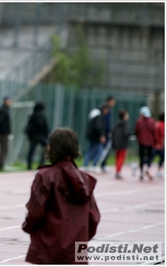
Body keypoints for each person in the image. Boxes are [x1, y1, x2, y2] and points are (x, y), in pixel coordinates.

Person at [22, 128, 101, 264]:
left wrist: (28, 227)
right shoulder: (85, 180)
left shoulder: (44, 177)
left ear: (51, 148)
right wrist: (81, 239)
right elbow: (93, 217)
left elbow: (35, 211)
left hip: (48, 245)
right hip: (76, 248)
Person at [83, 103, 109, 173]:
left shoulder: (95, 114)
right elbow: (98, 127)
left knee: (90, 151)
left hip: (92, 136)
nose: (107, 112)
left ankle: (85, 165)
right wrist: (101, 135)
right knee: (100, 151)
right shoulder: (100, 116)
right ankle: (94, 165)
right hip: (96, 137)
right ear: (104, 109)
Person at [24, 102, 49, 170]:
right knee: (46, 148)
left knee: (31, 151)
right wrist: (45, 134)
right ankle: (42, 163)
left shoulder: (32, 115)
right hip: (40, 135)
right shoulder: (40, 115)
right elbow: (42, 125)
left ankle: (29, 165)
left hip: (32, 136)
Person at [135, 106, 156, 181]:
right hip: (150, 142)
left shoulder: (139, 121)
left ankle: (141, 172)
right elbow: (154, 132)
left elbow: (136, 131)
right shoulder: (152, 121)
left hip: (141, 142)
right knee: (149, 156)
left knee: (141, 157)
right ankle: (148, 168)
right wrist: (155, 141)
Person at [111, 109, 131, 179]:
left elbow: (113, 132)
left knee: (117, 158)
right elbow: (126, 133)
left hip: (116, 142)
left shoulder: (116, 123)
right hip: (123, 143)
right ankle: (118, 172)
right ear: (124, 116)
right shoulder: (125, 124)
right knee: (121, 158)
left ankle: (117, 170)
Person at [0, 96, 12, 171]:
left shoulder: (4, 109)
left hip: (2, 133)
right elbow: (1, 122)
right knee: (4, 149)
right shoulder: (3, 110)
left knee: (3, 149)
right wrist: (5, 132)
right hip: (3, 133)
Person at [100, 95, 116, 173]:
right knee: (104, 149)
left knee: (106, 149)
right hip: (104, 133)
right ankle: (101, 164)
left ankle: (103, 164)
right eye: (112, 101)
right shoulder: (104, 110)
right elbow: (104, 122)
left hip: (107, 132)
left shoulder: (109, 110)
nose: (113, 103)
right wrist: (103, 133)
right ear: (109, 101)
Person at [150, 112, 164, 178]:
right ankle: (158, 171)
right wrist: (158, 143)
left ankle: (147, 168)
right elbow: (162, 134)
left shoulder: (156, 124)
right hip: (158, 145)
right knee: (162, 157)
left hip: (154, 144)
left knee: (152, 157)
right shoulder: (162, 125)